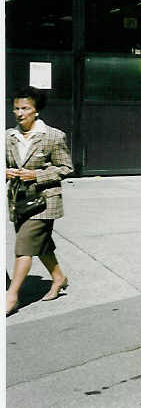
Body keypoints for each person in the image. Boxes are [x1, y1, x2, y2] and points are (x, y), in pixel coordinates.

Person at [6, 86, 73, 316]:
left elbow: (66, 168)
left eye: (25, 108)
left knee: (24, 246)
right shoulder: (8, 137)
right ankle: (58, 278)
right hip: (20, 201)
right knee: (40, 245)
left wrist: (36, 175)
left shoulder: (53, 136)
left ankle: (11, 296)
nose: (19, 113)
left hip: (45, 202)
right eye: (16, 108)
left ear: (36, 110)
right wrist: (6, 172)